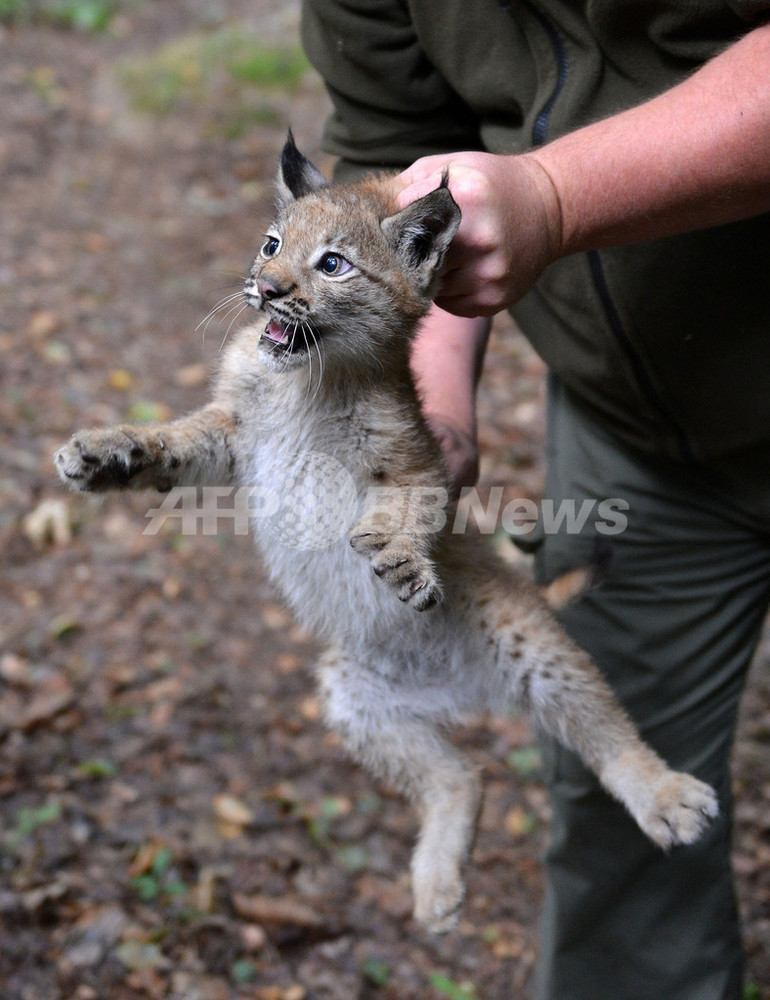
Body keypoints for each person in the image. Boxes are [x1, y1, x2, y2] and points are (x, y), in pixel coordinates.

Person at [299, 3, 770, 998]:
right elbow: (397, 169)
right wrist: (436, 426)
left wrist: (554, 196)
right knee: (624, 792)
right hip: (641, 433)